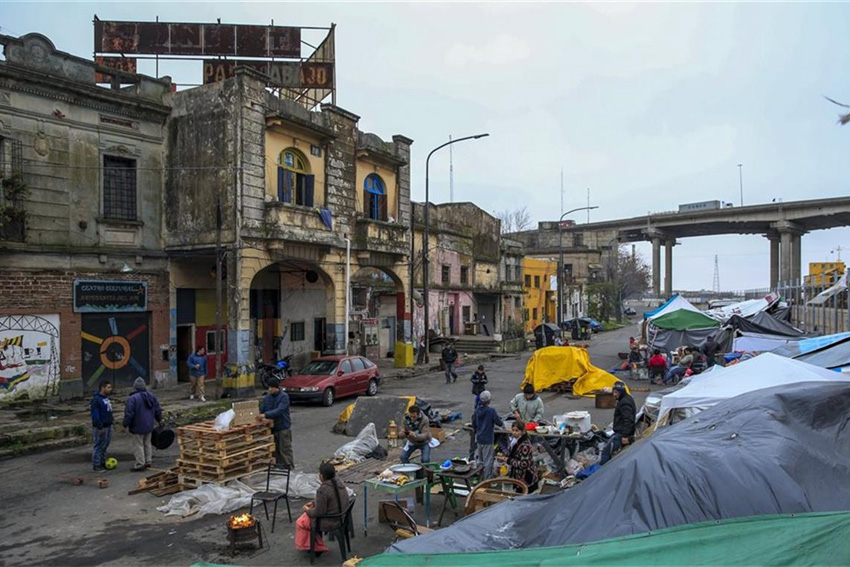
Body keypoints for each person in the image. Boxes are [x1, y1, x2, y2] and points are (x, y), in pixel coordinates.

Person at [295, 462, 350, 554]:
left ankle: (312, 546)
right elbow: (332, 499)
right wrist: (314, 503)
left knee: (301, 522)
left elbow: (318, 512)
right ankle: (316, 545)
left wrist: (307, 510)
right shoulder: (339, 482)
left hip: (330, 521)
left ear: (322, 476)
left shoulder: (323, 490)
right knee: (307, 517)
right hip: (342, 517)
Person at [122, 377, 164, 472]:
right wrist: (160, 419)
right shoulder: (151, 396)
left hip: (137, 425)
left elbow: (129, 414)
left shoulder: (132, 399)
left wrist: (125, 425)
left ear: (135, 387)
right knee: (147, 443)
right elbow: (157, 409)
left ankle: (140, 463)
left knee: (138, 445)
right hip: (149, 425)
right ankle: (148, 461)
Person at [258, 377, 293, 468]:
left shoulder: (284, 397)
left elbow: (279, 410)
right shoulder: (267, 398)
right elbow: (262, 409)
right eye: (269, 387)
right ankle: (278, 466)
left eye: (272, 387)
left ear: (276, 387)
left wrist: (266, 415)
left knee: (284, 449)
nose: (270, 389)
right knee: (275, 449)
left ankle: (289, 467)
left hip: (283, 427)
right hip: (272, 428)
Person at [600, 381, 636, 465]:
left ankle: (601, 473)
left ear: (621, 392)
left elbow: (628, 420)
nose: (614, 394)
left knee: (606, 452)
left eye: (616, 392)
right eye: (613, 392)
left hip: (621, 434)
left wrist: (625, 436)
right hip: (620, 432)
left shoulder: (625, 403)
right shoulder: (625, 399)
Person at [472, 390, 503, 478]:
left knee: (480, 460)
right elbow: (499, 422)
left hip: (479, 438)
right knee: (488, 460)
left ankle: (479, 476)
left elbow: (474, 424)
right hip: (488, 439)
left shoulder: (477, 410)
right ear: (488, 401)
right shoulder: (491, 411)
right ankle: (487, 479)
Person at [506, 420, 539, 492]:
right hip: (519, 476)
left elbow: (524, 464)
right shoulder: (515, 441)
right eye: (513, 430)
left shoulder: (525, 445)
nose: (514, 432)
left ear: (522, 431)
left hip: (526, 477)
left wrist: (509, 460)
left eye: (517, 430)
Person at [90, 380, 114, 472]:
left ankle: (102, 462)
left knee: (105, 445)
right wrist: (100, 426)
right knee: (99, 445)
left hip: (108, 425)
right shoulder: (96, 400)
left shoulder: (106, 398)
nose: (110, 389)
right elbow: (95, 415)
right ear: (102, 388)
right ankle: (96, 465)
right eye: (108, 387)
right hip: (101, 426)